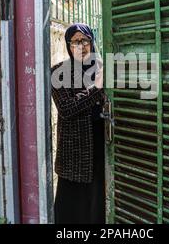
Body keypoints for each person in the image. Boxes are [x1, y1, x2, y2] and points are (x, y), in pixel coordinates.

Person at [51, 23, 106, 224]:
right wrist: (97, 88)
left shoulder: (101, 68)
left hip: (100, 144)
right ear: (68, 45)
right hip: (74, 151)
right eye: (75, 42)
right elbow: (66, 109)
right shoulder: (58, 73)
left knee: (97, 198)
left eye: (85, 41)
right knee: (72, 205)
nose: (81, 46)